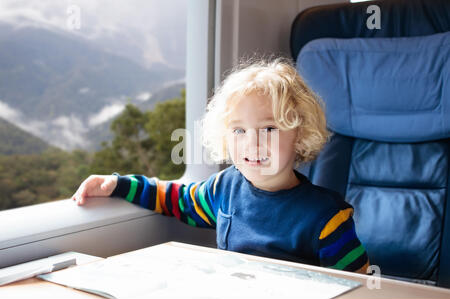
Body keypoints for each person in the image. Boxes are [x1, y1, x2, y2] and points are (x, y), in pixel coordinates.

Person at [72, 58, 370, 274]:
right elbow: (178, 199)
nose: (251, 144)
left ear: (300, 134)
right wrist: (119, 185)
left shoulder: (327, 218)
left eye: (268, 129)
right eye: (239, 131)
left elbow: (355, 287)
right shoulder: (224, 186)